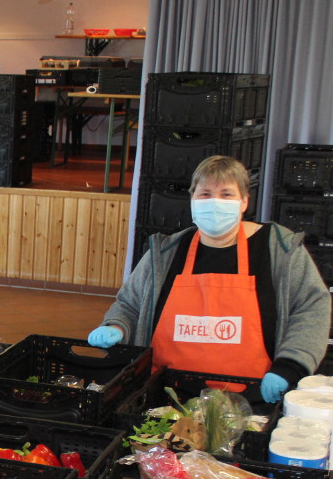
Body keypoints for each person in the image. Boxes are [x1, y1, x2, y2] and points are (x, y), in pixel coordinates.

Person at [87, 155, 330, 403]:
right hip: (166, 397)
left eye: (226, 194)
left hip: (253, 401)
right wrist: (116, 326)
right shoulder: (166, 252)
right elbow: (130, 304)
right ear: (192, 200)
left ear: (244, 201)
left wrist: (291, 365)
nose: (215, 202)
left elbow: (312, 308)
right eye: (205, 194)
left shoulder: (279, 250)